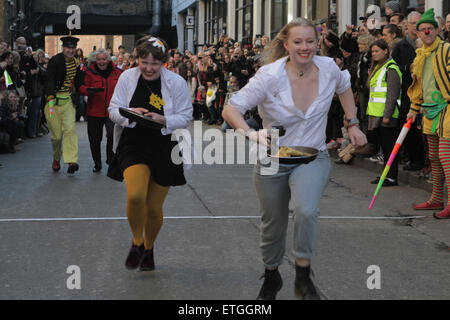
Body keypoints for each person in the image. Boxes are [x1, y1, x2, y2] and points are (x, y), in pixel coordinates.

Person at [222, 18, 367, 300]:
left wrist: (352, 123)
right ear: (286, 44)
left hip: (312, 157)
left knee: (306, 211)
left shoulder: (328, 68)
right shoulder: (269, 75)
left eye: (310, 42)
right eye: (298, 42)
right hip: (272, 158)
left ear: (318, 43)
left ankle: (303, 275)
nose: (305, 47)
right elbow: (231, 109)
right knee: (272, 222)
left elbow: (344, 87)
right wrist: (250, 133)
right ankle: (272, 274)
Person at [108, 35, 193, 271]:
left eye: (155, 63)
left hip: (165, 144)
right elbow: (113, 110)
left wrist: (163, 118)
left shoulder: (176, 83)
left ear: (164, 62)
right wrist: (129, 113)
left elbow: (186, 116)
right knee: (136, 196)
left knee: (154, 207)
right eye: (144, 62)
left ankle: (149, 248)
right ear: (137, 60)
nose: (148, 68)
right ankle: (137, 243)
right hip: (133, 141)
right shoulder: (127, 77)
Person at [407, 9, 450, 219]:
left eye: (430, 28)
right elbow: (419, 87)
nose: (426, 32)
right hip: (429, 111)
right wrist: (413, 109)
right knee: (433, 156)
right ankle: (436, 198)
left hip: (447, 109)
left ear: (437, 29)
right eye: (423, 30)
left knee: (445, 155)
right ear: (418, 33)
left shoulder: (446, 50)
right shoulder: (420, 56)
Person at [44, 36, 83, 174]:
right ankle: (56, 158)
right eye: (68, 48)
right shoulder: (55, 61)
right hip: (53, 101)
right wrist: (50, 97)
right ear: (63, 48)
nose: (70, 50)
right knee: (56, 136)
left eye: (73, 48)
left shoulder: (76, 62)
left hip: (67, 99)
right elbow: (49, 79)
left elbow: (79, 80)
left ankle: (71, 160)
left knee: (70, 130)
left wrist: (82, 90)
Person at [392, 11, 425, 172]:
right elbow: (393, 68)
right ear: (407, 25)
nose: (416, 27)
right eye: (413, 24)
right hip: (407, 92)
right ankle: (413, 158)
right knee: (409, 126)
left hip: (425, 92)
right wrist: (406, 69)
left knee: (423, 128)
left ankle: (422, 160)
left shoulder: (426, 43)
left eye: (419, 24)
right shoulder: (401, 46)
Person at [79, 48, 122, 172]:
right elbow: (81, 88)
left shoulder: (118, 73)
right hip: (94, 111)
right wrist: (89, 90)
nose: (101, 62)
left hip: (112, 111)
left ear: (108, 60)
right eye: (99, 59)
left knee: (112, 136)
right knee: (95, 140)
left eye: (104, 59)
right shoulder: (89, 72)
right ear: (95, 60)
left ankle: (110, 159)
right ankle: (97, 164)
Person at [367, 39, 402, 186]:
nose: (374, 54)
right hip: (377, 114)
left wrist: (387, 115)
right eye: (372, 52)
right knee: (384, 148)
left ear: (385, 51)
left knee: (389, 148)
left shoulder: (391, 68)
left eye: (377, 51)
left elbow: (392, 94)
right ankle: (385, 175)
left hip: (386, 115)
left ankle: (391, 177)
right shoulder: (378, 67)